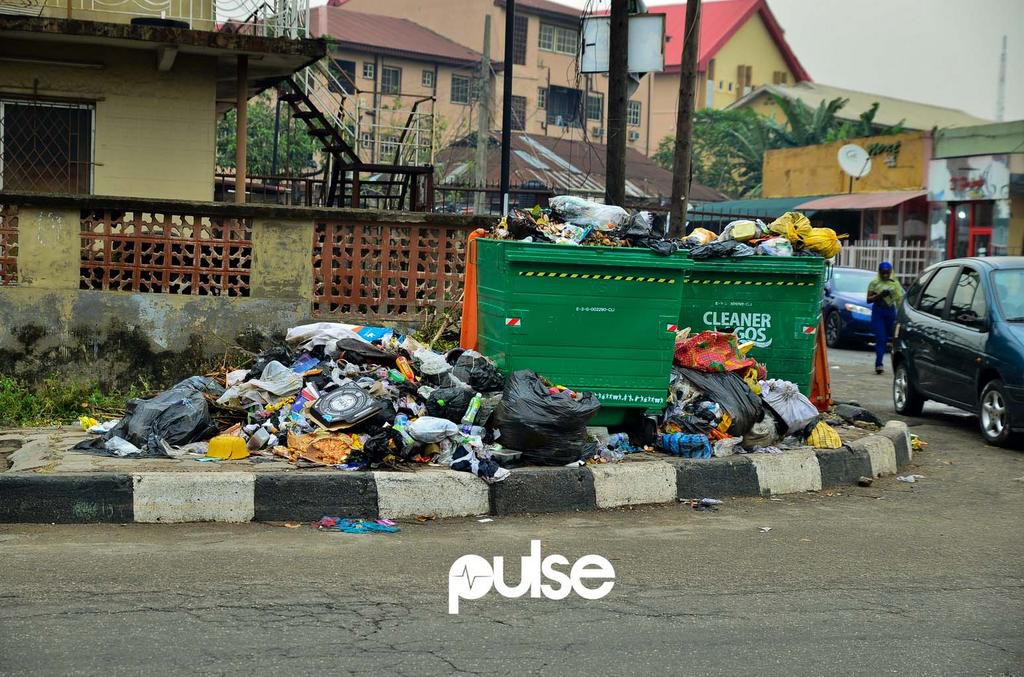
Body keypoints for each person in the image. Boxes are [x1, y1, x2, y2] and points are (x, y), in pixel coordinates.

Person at [866, 261, 904, 375]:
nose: (885, 275)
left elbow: (899, 299)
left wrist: (900, 315)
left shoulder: (895, 283)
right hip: (878, 311)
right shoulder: (874, 282)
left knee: (893, 339)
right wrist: (880, 295)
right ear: (879, 272)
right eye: (883, 273)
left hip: (890, 311)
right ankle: (879, 364)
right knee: (881, 338)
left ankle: (897, 366)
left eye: (887, 273)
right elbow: (868, 299)